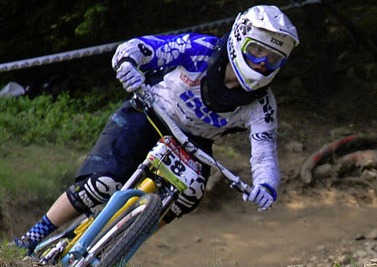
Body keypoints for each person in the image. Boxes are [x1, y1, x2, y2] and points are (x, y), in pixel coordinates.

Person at [11, 5, 299, 254]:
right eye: (256, 51)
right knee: (102, 184)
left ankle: (121, 248)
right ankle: (31, 237)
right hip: (148, 113)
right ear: (239, 39)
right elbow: (141, 48)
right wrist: (128, 65)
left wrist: (266, 187)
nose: (261, 63)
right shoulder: (198, 49)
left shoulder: (262, 104)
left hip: (194, 144)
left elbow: (264, 155)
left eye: (272, 59)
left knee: (191, 192)